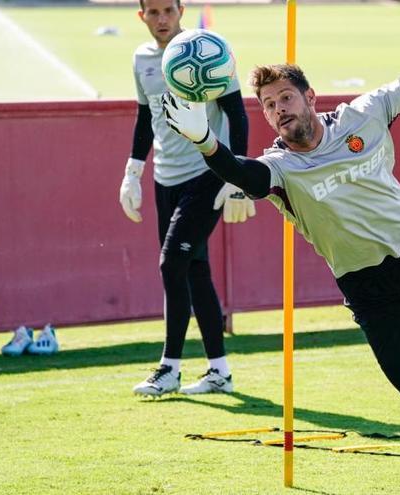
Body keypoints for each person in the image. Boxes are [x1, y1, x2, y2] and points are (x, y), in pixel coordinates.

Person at [162, 43, 400, 494]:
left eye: (285, 98)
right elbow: (242, 174)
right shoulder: (279, 167)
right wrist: (204, 141)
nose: (278, 110)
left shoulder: (363, 114)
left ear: (310, 97)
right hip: (369, 290)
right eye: (267, 105)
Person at [120, 0, 255, 397]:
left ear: (181, 11)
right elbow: (146, 116)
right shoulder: (141, 58)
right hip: (166, 179)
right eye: (154, 12)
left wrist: (238, 178)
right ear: (141, 16)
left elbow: (238, 115)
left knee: (171, 263)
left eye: (168, 10)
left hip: (207, 174)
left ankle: (169, 368)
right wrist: (133, 171)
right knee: (194, 271)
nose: (162, 19)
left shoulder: (209, 49)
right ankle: (220, 372)